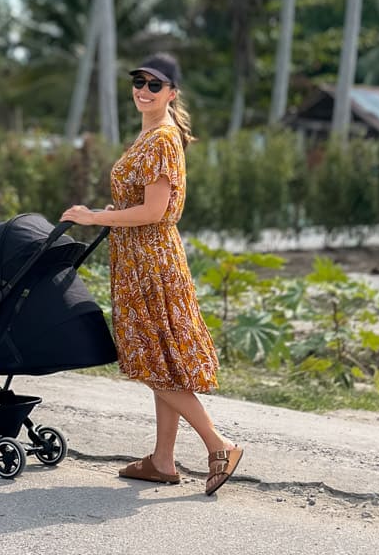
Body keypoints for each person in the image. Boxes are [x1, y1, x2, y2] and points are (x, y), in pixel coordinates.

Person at [60, 53, 243, 496]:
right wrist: (109, 213)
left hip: (152, 265)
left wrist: (94, 218)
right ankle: (162, 460)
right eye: (139, 82)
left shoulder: (161, 139)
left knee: (154, 362)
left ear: (172, 93)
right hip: (141, 260)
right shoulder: (150, 135)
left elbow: (155, 211)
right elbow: (140, 207)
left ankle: (220, 445)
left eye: (154, 85)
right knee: (160, 362)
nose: (143, 90)